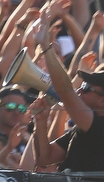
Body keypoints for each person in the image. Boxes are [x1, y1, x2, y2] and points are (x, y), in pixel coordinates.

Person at [32, 10, 104, 172]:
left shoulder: (99, 127)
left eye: (86, 88)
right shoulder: (82, 127)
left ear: (102, 101)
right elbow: (45, 158)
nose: (79, 91)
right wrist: (41, 122)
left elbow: (65, 90)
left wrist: (45, 47)